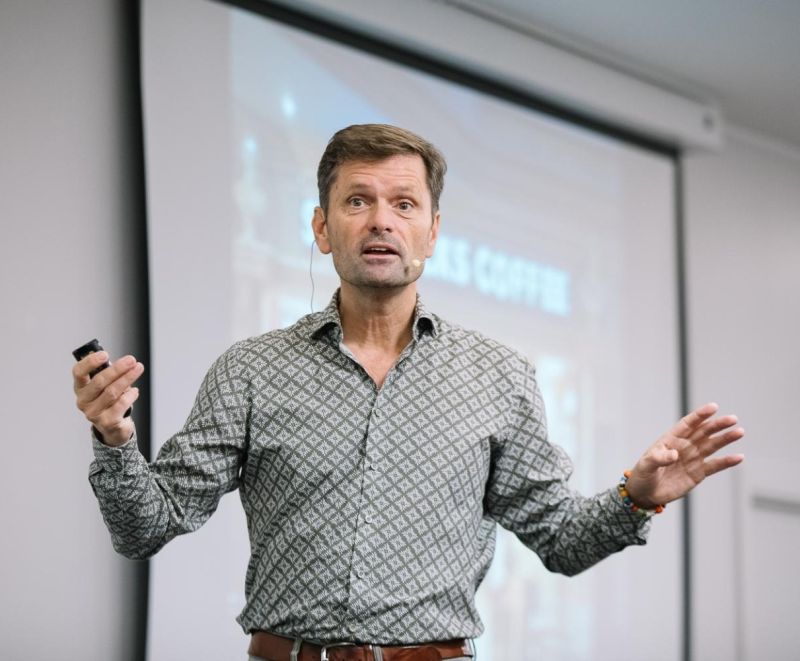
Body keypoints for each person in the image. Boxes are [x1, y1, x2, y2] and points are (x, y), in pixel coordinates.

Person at [73, 124, 744, 661]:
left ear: (433, 231)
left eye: (403, 204)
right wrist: (115, 436)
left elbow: (561, 540)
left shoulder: (499, 376)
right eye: (357, 201)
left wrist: (637, 496)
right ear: (321, 228)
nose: (380, 221)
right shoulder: (251, 370)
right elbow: (144, 528)